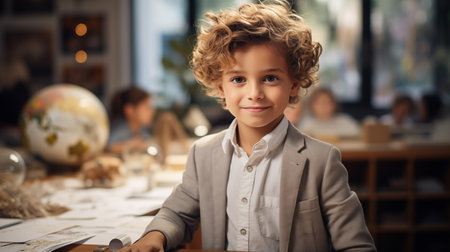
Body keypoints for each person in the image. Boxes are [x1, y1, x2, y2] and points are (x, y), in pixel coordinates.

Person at [119, 1, 375, 251]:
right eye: (238, 79)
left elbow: (355, 244)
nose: (254, 93)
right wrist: (155, 235)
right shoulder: (203, 154)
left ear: (294, 84)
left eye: (270, 78)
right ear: (221, 87)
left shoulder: (321, 161)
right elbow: (176, 213)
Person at [107, 85, 155, 154]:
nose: (152, 111)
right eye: (146, 108)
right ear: (130, 110)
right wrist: (131, 145)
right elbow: (109, 147)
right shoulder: (120, 130)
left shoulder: (143, 130)